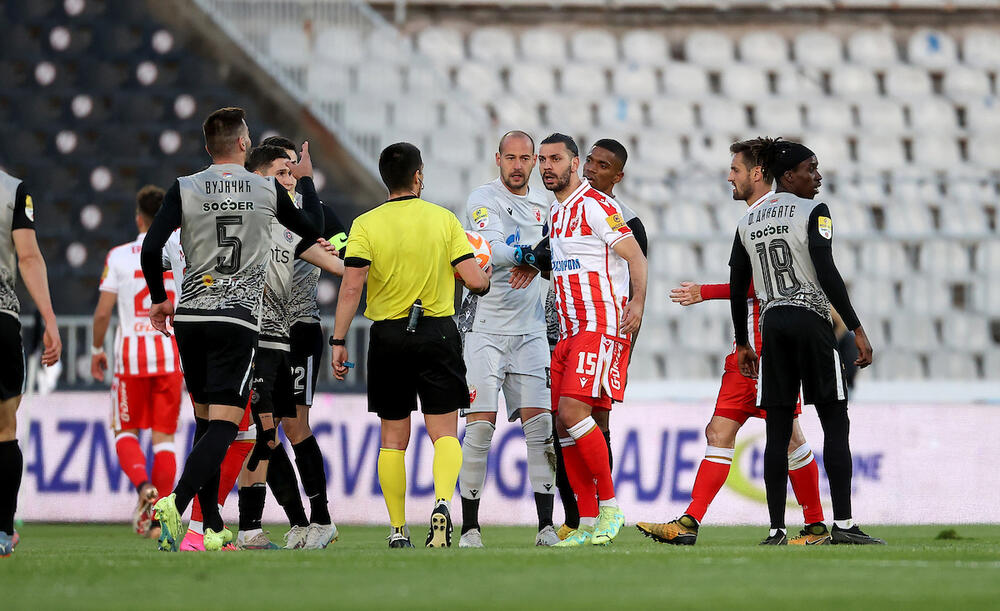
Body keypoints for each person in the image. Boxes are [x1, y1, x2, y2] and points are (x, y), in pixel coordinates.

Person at [140, 107, 328, 552]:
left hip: (190, 316)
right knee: (226, 424)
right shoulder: (265, 189)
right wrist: (304, 180)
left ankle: (210, 527)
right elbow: (313, 231)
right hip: (238, 318)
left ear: (208, 148)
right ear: (244, 144)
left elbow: (152, 246)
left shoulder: (184, 187)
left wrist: (158, 299)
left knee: (205, 422)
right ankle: (177, 502)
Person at [635, 138, 826, 545]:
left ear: (757, 174)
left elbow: (762, 283)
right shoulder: (752, 218)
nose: (729, 176)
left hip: (767, 349)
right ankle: (688, 524)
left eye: (736, 170)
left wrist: (705, 291)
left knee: (788, 436)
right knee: (718, 432)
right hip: (748, 348)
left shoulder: (772, 216)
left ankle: (815, 525)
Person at [330, 142, 490, 548]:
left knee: (392, 440)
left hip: (387, 337)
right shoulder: (443, 220)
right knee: (445, 434)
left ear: (387, 179)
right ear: (418, 176)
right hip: (436, 331)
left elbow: (351, 286)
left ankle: (398, 530)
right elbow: (473, 280)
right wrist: (482, 275)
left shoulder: (365, 224)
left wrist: (338, 339)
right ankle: (440, 503)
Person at [728, 138, 882, 545]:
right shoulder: (814, 210)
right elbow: (826, 269)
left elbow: (737, 284)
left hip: (772, 324)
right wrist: (855, 328)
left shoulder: (749, 220)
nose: (818, 177)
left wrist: (742, 341)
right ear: (789, 175)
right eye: (811, 169)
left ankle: (777, 528)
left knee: (777, 430)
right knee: (835, 420)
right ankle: (844, 525)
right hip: (810, 320)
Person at [537, 133, 646, 547]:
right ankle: (585, 520)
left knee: (572, 413)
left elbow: (636, 256)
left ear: (574, 162)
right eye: (543, 160)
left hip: (598, 328)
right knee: (564, 429)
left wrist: (637, 302)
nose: (547, 166)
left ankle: (611, 507)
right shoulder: (556, 211)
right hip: (567, 333)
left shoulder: (597, 206)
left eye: (556, 159)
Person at [235, 144, 344, 550]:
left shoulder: (311, 209)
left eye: (291, 173)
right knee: (266, 428)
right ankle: (295, 521)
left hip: (299, 328)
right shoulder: (251, 212)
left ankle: (320, 520)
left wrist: (334, 250)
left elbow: (348, 257)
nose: (288, 181)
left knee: (293, 425)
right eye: (281, 173)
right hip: (256, 331)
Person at [455, 131, 559, 548]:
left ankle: (546, 527)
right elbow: (493, 247)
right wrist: (531, 257)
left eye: (525, 159)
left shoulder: (548, 206)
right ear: (497, 158)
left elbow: (560, 253)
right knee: (480, 430)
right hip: (485, 329)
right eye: (510, 158)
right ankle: (470, 528)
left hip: (531, 329)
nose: (517, 166)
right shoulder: (483, 198)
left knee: (542, 429)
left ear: (535, 161)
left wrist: (536, 262)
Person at [91, 185, 183, 539]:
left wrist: (97, 348)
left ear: (138, 217)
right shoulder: (178, 249)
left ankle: (143, 486)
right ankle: (159, 518)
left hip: (130, 361)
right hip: (169, 356)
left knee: (124, 431)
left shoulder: (118, 256)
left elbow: (102, 313)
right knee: (164, 440)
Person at [0, 169, 61, 557]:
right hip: (1, 316)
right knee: (5, 429)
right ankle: (3, 531)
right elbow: (27, 255)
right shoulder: (12, 189)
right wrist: (49, 320)